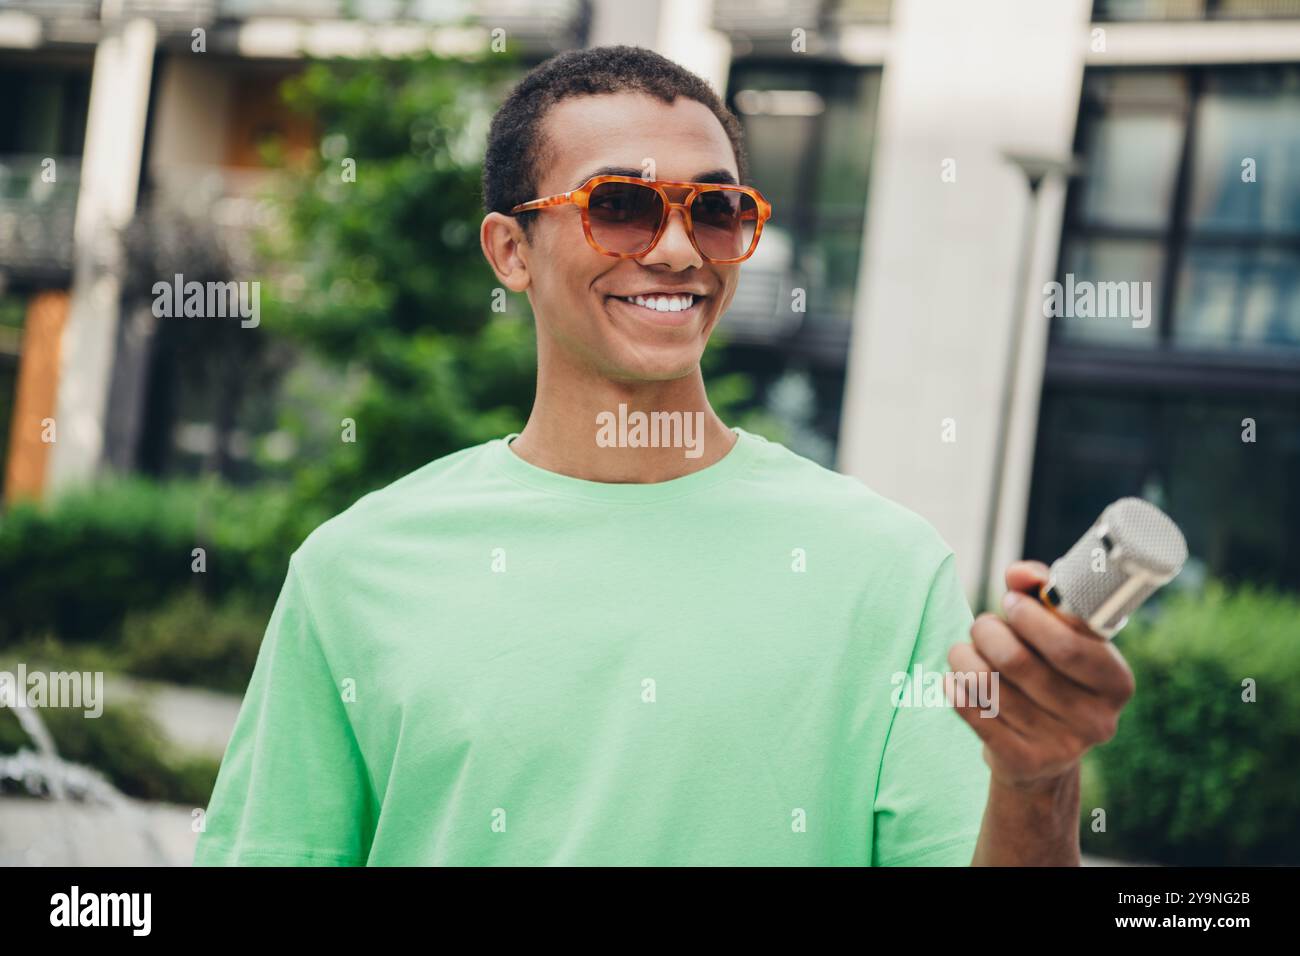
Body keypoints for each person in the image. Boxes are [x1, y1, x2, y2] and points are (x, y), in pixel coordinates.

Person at [194, 44, 1134, 866]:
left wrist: (1039, 779)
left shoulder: (885, 570)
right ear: (510, 251)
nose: (682, 250)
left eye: (716, 212)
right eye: (623, 206)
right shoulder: (354, 570)